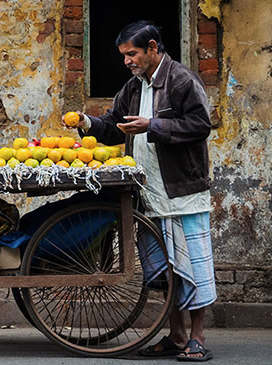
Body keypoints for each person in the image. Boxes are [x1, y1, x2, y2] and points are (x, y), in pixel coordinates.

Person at [63, 20, 215, 362]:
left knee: (193, 266)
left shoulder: (181, 80)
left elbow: (200, 125)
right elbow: (114, 126)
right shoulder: (133, 88)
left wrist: (153, 125)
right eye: (124, 55)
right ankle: (175, 335)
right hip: (147, 193)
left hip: (181, 192)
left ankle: (198, 337)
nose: (127, 61)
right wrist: (86, 122)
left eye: (132, 53)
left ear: (152, 48)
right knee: (163, 267)